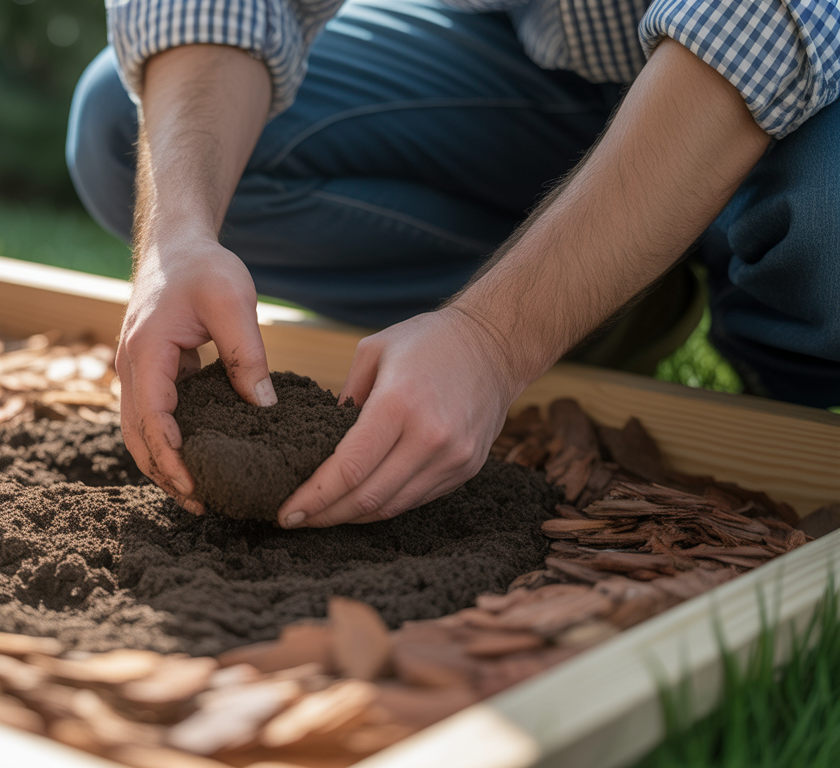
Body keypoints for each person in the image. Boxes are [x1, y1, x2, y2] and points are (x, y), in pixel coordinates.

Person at [65, 0, 840, 530]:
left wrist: (495, 340)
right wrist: (177, 235)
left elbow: (765, 25)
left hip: (803, 86)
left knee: (827, 216)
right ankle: (615, 303)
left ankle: (785, 379)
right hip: (555, 66)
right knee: (118, 125)